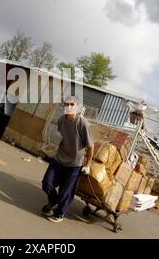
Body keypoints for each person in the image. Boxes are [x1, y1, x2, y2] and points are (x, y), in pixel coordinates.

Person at [40, 95, 94, 223]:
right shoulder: (61, 121)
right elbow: (63, 135)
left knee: (65, 192)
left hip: (75, 163)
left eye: (72, 104)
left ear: (77, 107)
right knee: (47, 183)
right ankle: (53, 202)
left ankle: (60, 213)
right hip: (60, 158)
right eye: (66, 104)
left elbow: (91, 146)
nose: (69, 107)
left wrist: (88, 165)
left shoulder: (83, 124)